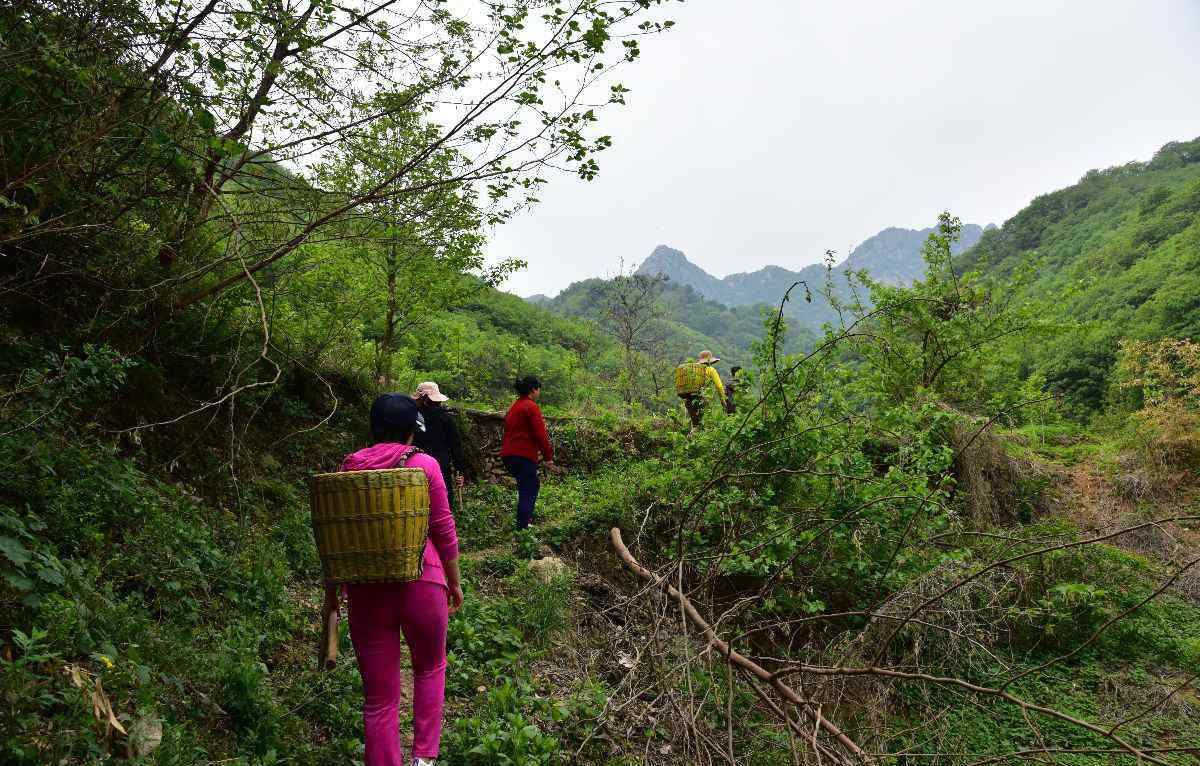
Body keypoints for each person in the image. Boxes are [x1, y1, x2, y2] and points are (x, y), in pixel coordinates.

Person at [325, 393, 463, 766]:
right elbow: (443, 528)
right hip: (424, 581)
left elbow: (336, 537)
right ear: (410, 432)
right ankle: (423, 759)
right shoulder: (426, 466)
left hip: (367, 591)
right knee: (431, 667)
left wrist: (333, 594)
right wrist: (454, 581)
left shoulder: (350, 466)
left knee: (379, 699)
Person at [500, 375, 555, 530]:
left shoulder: (515, 406)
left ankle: (524, 522)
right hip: (523, 455)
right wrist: (548, 458)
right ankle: (523, 527)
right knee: (530, 488)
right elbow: (540, 434)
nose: (539, 392)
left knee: (528, 486)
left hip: (509, 455)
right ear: (533, 390)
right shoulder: (531, 407)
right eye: (538, 389)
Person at [412, 381, 470, 507]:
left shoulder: (412, 417)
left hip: (415, 469)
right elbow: (456, 447)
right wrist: (460, 470)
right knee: (443, 504)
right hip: (440, 468)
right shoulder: (446, 419)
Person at [675, 350, 726, 428]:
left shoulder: (693, 371)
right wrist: (723, 400)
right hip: (702, 400)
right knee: (705, 425)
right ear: (710, 361)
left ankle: (692, 437)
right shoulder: (711, 370)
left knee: (695, 425)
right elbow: (719, 386)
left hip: (689, 400)